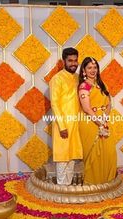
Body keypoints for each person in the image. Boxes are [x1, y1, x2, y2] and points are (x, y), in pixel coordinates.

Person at [78, 56, 117, 185]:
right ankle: (92, 184)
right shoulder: (84, 86)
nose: (92, 70)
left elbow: (109, 104)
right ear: (84, 70)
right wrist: (100, 123)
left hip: (103, 121)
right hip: (90, 123)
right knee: (94, 156)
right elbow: (87, 109)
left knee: (108, 152)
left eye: (95, 67)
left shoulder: (101, 84)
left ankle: (107, 182)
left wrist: (104, 118)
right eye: (89, 67)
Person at [49, 48, 83, 185]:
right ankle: (62, 190)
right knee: (63, 157)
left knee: (72, 158)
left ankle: (68, 187)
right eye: (70, 61)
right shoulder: (57, 79)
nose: (73, 64)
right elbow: (55, 104)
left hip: (76, 124)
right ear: (64, 61)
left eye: (75, 60)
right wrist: (62, 126)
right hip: (62, 125)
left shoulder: (77, 78)